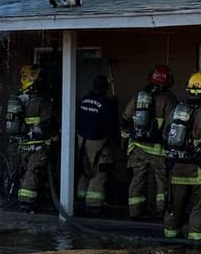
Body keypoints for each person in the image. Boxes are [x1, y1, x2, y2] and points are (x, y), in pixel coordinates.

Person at [162, 72, 201, 240]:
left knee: (175, 203)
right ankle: (197, 235)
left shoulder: (177, 109)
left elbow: (166, 134)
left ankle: (170, 234)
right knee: (200, 203)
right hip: (199, 169)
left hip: (176, 166)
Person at [122, 65, 177, 219]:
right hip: (158, 150)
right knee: (162, 181)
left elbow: (125, 120)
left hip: (137, 148)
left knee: (138, 179)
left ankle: (135, 211)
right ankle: (161, 212)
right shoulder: (169, 99)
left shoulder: (139, 97)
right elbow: (172, 125)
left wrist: (125, 142)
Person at [9, 65, 55, 212]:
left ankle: (21, 200)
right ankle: (26, 203)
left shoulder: (20, 99)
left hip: (24, 145)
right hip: (37, 145)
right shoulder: (41, 101)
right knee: (33, 172)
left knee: (25, 172)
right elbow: (48, 122)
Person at [76, 74, 119, 215]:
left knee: (85, 169)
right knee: (100, 171)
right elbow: (111, 124)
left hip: (82, 140)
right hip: (99, 142)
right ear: (106, 88)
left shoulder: (84, 100)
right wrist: (114, 106)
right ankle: (93, 205)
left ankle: (81, 198)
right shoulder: (106, 104)